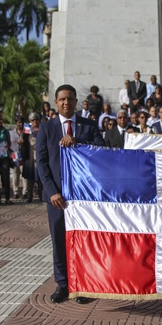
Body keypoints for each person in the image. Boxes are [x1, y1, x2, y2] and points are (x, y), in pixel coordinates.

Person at [36, 84, 104, 304]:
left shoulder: (88, 126)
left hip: (83, 197)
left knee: (82, 241)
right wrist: (52, 191)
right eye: (62, 99)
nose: (66, 102)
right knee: (59, 241)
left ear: (76, 102)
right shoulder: (47, 129)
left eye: (70, 99)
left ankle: (82, 284)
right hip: (57, 198)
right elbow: (42, 164)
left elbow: (101, 151)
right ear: (56, 102)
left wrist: (78, 142)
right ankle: (63, 284)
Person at [22, 112, 43, 202]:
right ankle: (29, 196)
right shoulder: (27, 132)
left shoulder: (43, 131)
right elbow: (24, 147)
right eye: (33, 120)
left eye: (36, 120)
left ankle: (41, 196)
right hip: (30, 158)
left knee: (41, 180)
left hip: (40, 158)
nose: (35, 122)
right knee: (30, 179)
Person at [9, 116, 26, 200]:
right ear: (16, 123)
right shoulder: (11, 133)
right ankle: (15, 192)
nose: (21, 124)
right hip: (15, 155)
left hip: (24, 156)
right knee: (15, 174)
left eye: (22, 122)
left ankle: (25, 192)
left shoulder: (26, 132)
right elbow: (8, 143)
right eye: (19, 122)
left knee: (24, 174)